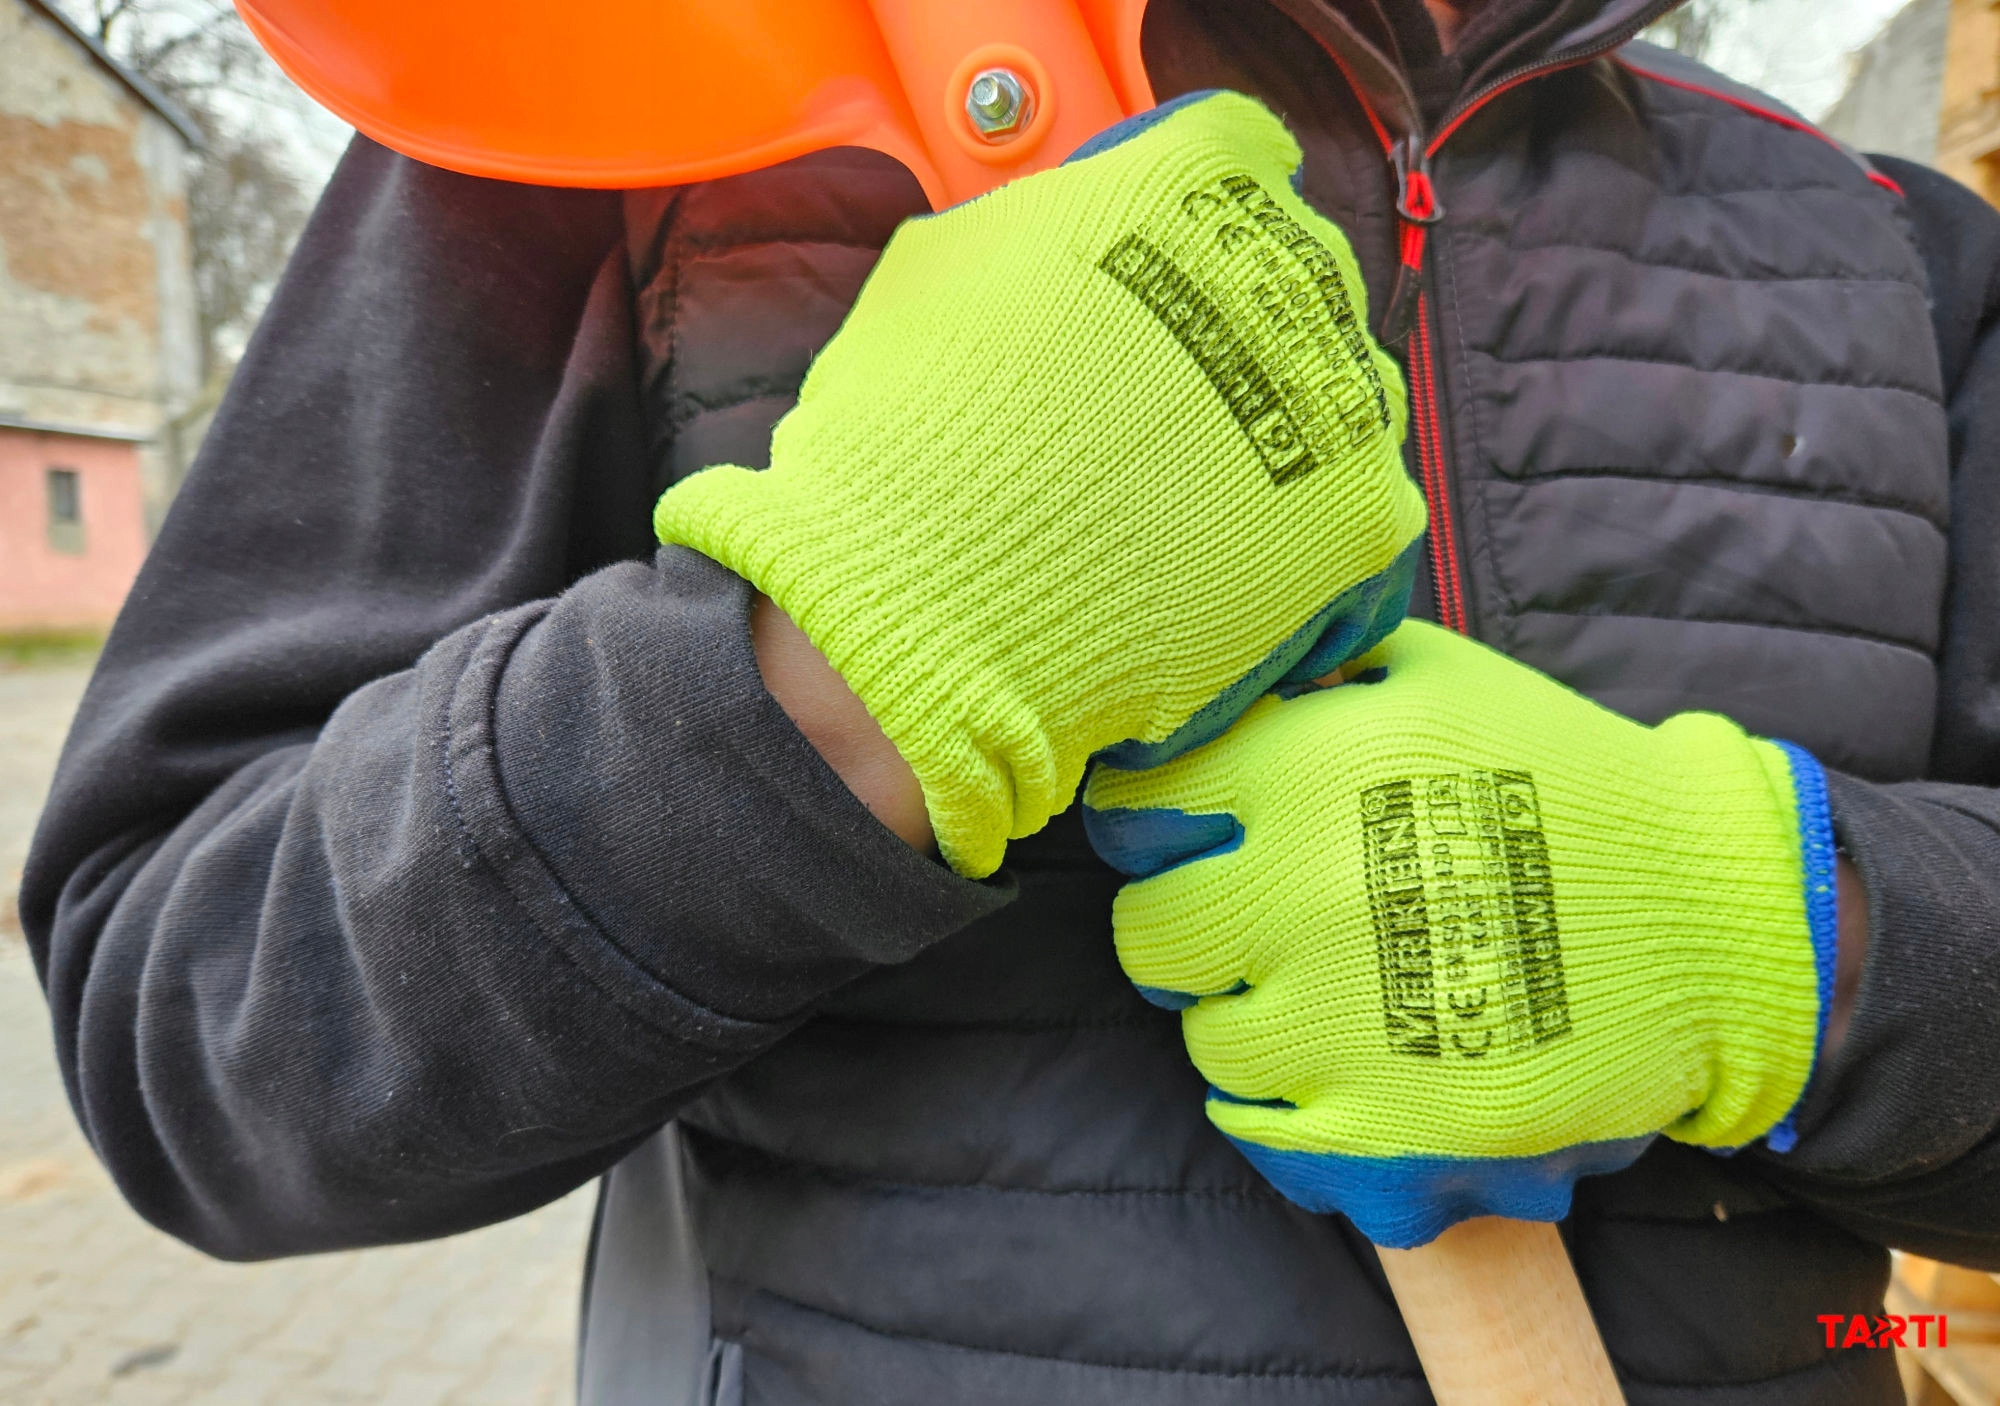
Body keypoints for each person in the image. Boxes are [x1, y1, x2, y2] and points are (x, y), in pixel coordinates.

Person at [22, 0, 2000, 1401]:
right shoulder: (631, 120)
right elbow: (195, 1030)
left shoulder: (1892, 251)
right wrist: (844, 682)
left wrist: (1783, 941)